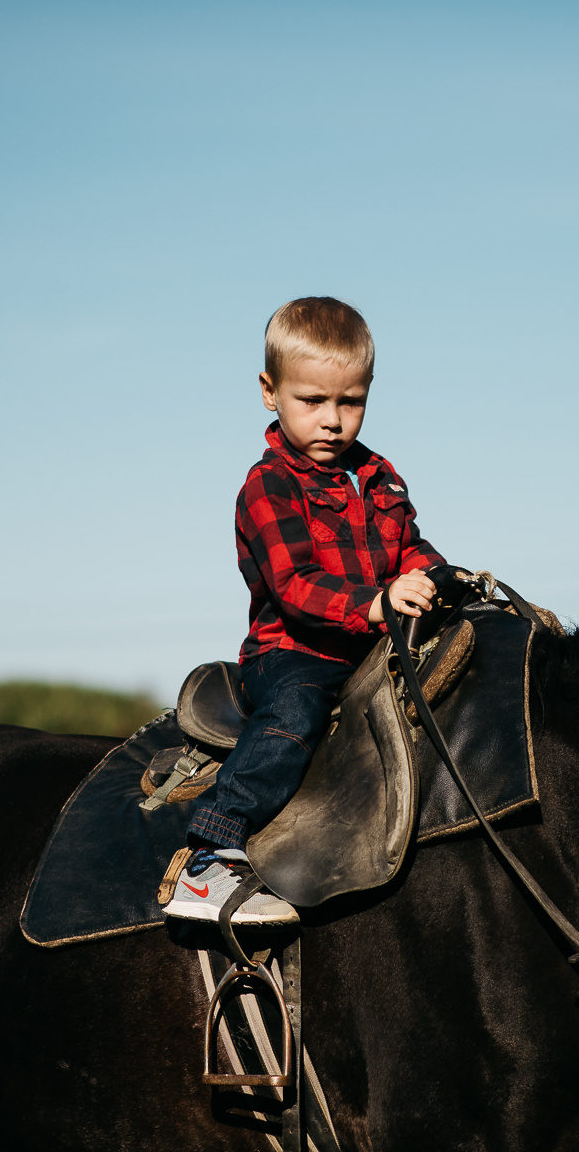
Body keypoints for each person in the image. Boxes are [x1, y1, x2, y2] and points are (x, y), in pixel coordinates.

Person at [161, 297, 443, 925]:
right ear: (270, 391)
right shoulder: (269, 486)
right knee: (295, 714)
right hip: (294, 653)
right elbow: (295, 585)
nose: (333, 421)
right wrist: (376, 603)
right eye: (312, 401)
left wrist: (433, 576)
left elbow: (410, 547)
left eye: (351, 402)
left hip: (372, 647)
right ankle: (213, 849)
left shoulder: (381, 476)